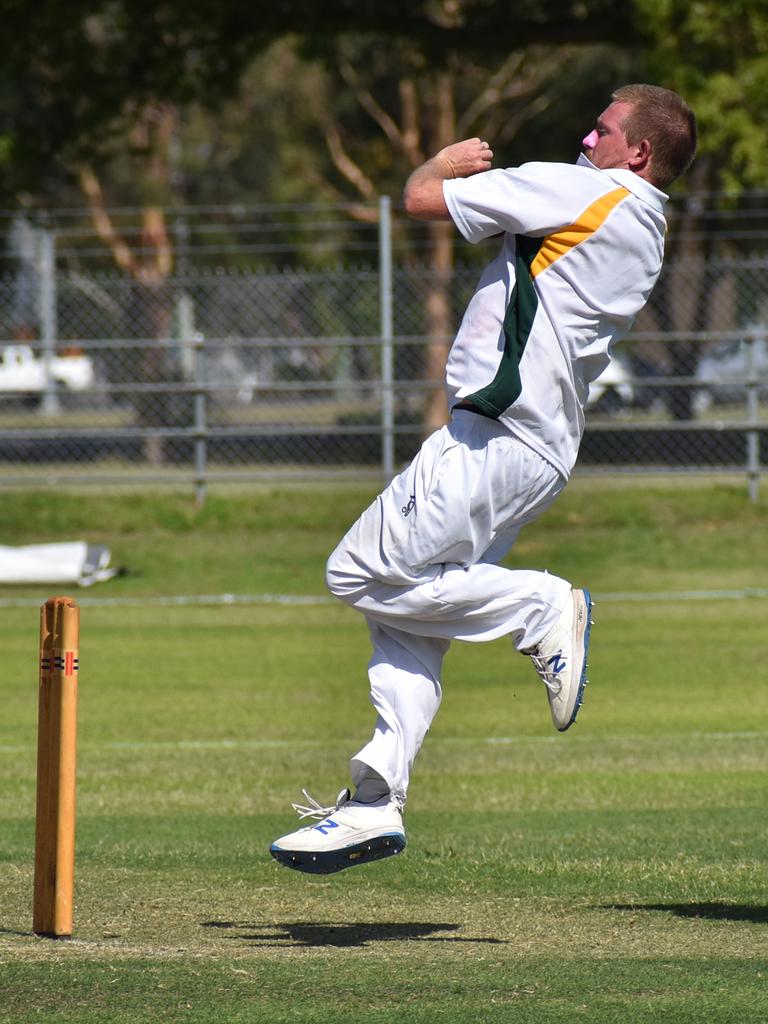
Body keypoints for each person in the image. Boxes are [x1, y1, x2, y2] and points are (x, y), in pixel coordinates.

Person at [270, 83, 697, 875]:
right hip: (535, 447)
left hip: (492, 434)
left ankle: (542, 606)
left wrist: (442, 159)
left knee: (356, 572)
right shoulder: (647, 225)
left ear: (638, 152)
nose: (585, 135)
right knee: (410, 617)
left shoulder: (589, 189)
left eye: (602, 127)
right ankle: (374, 800)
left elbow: (423, 199)